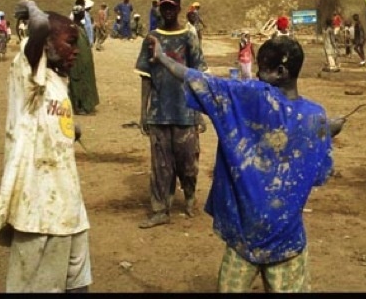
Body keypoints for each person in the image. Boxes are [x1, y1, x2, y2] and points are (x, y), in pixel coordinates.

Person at [145, 33, 344, 292]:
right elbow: (320, 173)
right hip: (288, 242)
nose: (258, 76)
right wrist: (324, 131)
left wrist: (161, 57)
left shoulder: (251, 96)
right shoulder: (315, 117)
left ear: (280, 71)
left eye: (263, 69)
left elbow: (199, 80)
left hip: (243, 239)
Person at [0, 0, 92, 293]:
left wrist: (71, 130)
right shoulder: (27, 72)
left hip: (70, 207)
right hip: (38, 210)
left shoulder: (57, 80)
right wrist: (34, 11)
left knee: (78, 285)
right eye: (70, 42)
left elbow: (49, 120)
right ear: (46, 44)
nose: (77, 50)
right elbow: (41, 30)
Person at [134, 0, 207, 228]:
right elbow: (146, 77)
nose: (167, 11)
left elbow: (198, 76)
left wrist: (200, 112)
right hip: (159, 112)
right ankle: (160, 209)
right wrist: (144, 112)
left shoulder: (189, 36)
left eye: (171, 7)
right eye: (163, 7)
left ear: (178, 9)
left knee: (188, 161)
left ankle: (189, 196)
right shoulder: (151, 38)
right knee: (160, 165)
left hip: (185, 111)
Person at [69, 0, 99, 115]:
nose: (84, 14)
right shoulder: (73, 28)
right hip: (77, 60)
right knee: (77, 82)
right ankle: (78, 106)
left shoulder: (81, 26)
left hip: (85, 59)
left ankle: (88, 104)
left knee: (87, 80)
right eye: (82, 13)